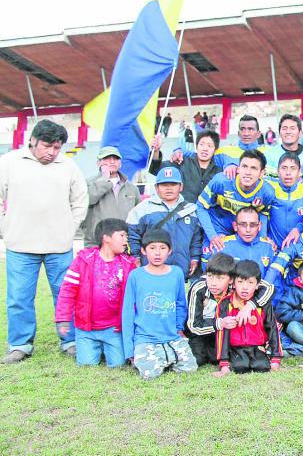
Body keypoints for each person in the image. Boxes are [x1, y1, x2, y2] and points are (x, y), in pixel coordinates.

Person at [0, 119, 88, 363]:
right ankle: (20, 345)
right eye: (47, 146)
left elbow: (80, 201)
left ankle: (69, 340)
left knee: (66, 294)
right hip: (20, 244)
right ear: (33, 141)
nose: (51, 152)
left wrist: (69, 229)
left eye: (57, 147)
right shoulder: (9, 163)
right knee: (19, 297)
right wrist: (6, 228)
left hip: (59, 246)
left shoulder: (68, 166)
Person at [54, 218, 137, 368]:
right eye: (122, 235)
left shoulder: (128, 264)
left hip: (114, 329)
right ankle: (94, 348)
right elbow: (67, 291)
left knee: (118, 365)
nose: (126, 240)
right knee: (87, 365)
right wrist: (63, 319)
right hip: (86, 330)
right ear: (106, 238)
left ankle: (109, 348)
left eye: (127, 236)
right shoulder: (83, 261)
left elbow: (134, 299)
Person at [122, 228, 197, 380]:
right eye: (152, 248)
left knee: (190, 368)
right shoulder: (136, 275)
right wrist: (129, 350)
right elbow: (128, 312)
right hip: (145, 338)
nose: (157, 253)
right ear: (143, 251)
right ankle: (154, 357)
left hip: (171, 337)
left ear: (170, 251)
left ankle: (165, 356)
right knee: (151, 374)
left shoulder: (176, 273)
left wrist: (178, 328)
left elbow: (181, 303)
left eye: (163, 248)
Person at [186, 252, 274, 367]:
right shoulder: (199, 288)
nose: (213, 283)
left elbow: (268, 287)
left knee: (221, 356)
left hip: (227, 332)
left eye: (220, 278)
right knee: (198, 360)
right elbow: (193, 325)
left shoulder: (236, 283)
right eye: (210, 276)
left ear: (231, 280)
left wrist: (249, 306)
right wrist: (220, 323)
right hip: (203, 332)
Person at [127, 167, 202, 282]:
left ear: (181, 186)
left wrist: (195, 258)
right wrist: (136, 257)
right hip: (150, 271)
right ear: (156, 187)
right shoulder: (142, 209)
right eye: (164, 185)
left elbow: (196, 238)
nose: (169, 188)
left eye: (173, 184)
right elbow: (133, 236)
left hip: (181, 271)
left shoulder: (191, 209)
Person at [213, 260, 282, 376]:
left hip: (257, 347)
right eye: (240, 282)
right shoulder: (225, 303)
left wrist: (275, 359)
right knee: (240, 366)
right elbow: (221, 334)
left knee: (262, 366)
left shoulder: (262, 303)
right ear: (233, 284)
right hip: (235, 348)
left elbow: (272, 327)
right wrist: (223, 363)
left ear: (257, 285)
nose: (245, 287)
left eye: (250, 283)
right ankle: (229, 362)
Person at [196, 150, 272, 252]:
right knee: (212, 258)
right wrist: (213, 236)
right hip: (218, 227)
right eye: (244, 166)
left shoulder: (267, 192)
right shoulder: (221, 181)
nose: (248, 172)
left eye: (253, 168)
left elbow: (263, 213)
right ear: (238, 168)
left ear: (262, 173)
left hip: (245, 230)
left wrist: (262, 238)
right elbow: (200, 206)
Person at [172, 115, 267, 177]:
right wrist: (178, 151)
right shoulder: (224, 151)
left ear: (258, 134)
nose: (246, 133)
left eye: (250, 129)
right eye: (243, 129)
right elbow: (200, 155)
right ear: (238, 133)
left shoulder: (269, 152)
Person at [83, 146, 139, 247]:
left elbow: (138, 214)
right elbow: (89, 199)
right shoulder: (88, 183)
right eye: (107, 158)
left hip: (125, 243)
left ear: (120, 163)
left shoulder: (131, 188)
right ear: (98, 163)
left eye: (116, 158)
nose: (112, 161)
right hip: (96, 243)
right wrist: (105, 180)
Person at [150, 130, 222, 204]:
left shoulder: (219, 170)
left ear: (215, 149)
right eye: (201, 144)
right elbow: (155, 169)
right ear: (196, 146)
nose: (205, 149)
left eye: (209, 146)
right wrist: (156, 151)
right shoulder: (182, 161)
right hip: (184, 212)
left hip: (209, 214)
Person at [215, 206, 277, 280]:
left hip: (261, 290)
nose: (248, 230)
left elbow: (275, 281)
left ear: (259, 226)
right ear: (235, 226)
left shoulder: (269, 247)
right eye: (243, 225)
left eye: (253, 225)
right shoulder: (223, 245)